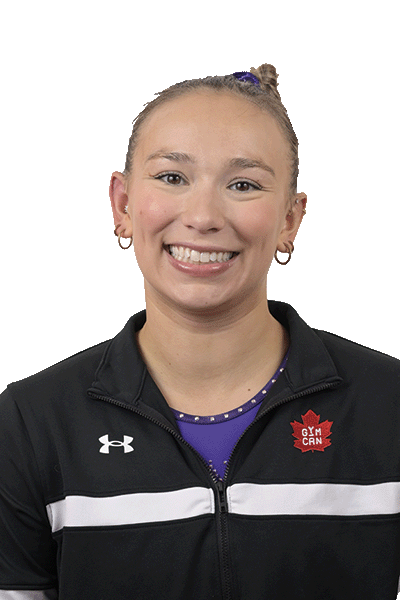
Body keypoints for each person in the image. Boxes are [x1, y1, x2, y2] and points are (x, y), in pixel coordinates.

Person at [1, 64, 399, 600]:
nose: (204, 216)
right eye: (172, 177)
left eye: (243, 184)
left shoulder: (388, 405)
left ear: (290, 218)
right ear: (122, 204)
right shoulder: (30, 423)